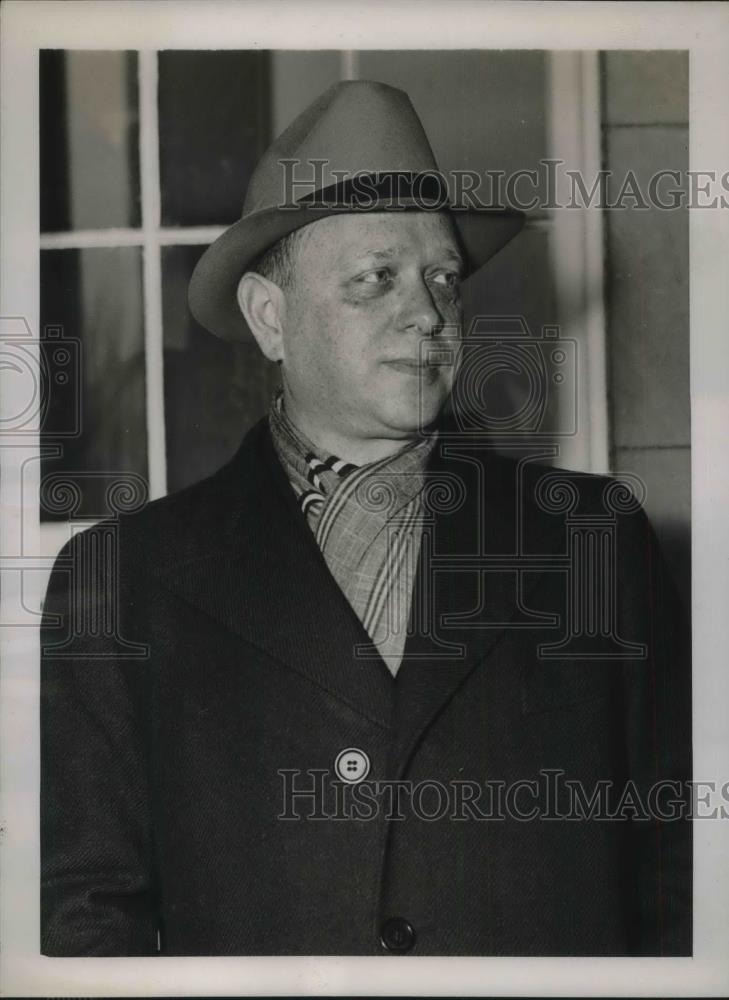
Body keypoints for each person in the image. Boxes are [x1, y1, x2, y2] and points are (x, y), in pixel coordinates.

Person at [41, 80, 692, 957]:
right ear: (271, 319)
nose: (426, 311)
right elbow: (90, 920)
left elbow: (679, 881)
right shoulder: (118, 581)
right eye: (374, 278)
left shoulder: (594, 541)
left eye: (440, 278)